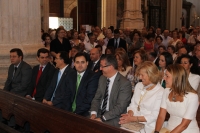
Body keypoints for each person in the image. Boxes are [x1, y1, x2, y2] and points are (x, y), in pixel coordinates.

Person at [119, 61, 164, 133]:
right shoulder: (139, 85)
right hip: (132, 124)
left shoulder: (160, 91)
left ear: (151, 75)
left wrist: (133, 119)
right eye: (139, 75)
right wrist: (130, 113)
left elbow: (154, 116)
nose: (140, 78)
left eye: (142, 75)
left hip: (148, 126)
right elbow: (133, 104)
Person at [154, 64, 199, 133]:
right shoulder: (166, 91)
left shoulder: (192, 96)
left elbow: (184, 125)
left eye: (167, 76)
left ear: (176, 78)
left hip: (187, 131)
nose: (164, 78)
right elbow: (161, 116)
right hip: (168, 129)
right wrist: (156, 132)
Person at [90, 55, 132, 127]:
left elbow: (120, 107)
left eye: (102, 66)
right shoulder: (102, 78)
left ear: (111, 67)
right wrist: (93, 114)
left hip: (114, 117)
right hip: (100, 113)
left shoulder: (125, 83)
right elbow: (96, 98)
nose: (100, 69)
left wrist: (102, 118)